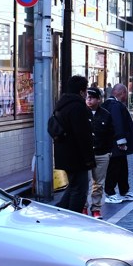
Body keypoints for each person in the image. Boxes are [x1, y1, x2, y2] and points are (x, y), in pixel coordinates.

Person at [51, 75, 94, 213]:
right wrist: (89, 160)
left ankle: (61, 212)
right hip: (76, 156)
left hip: (64, 154)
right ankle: (72, 217)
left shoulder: (62, 104)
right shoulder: (77, 107)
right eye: (86, 90)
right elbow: (82, 135)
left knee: (74, 186)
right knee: (80, 190)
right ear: (82, 92)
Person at [103, 83, 133, 204]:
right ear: (122, 93)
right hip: (115, 143)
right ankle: (110, 193)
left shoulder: (108, 104)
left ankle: (124, 191)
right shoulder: (115, 105)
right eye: (126, 93)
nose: (127, 96)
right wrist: (121, 140)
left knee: (121, 167)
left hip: (112, 142)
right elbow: (117, 123)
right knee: (114, 167)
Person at [85, 87, 114, 219]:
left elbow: (111, 134)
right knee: (84, 183)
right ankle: (83, 207)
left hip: (102, 153)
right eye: (87, 97)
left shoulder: (106, 114)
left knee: (98, 183)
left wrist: (108, 151)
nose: (88, 100)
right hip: (85, 153)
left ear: (98, 99)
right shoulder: (82, 113)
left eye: (91, 97)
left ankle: (96, 209)